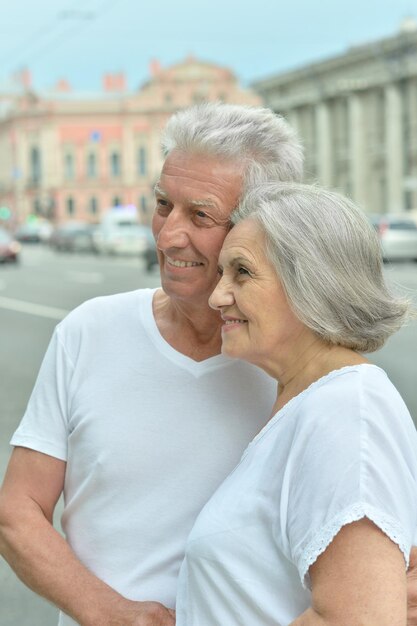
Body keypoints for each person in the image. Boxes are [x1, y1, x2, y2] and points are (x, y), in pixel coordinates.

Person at [0, 102, 416, 626]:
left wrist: (376, 589)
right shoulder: (88, 331)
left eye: (199, 214)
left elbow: (367, 547)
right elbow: (17, 512)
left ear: (265, 224)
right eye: (161, 204)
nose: (168, 234)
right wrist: (107, 613)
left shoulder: (308, 383)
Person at [176, 182, 417, 625]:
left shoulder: (346, 412)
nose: (217, 296)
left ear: (309, 281)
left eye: (242, 272)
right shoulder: (308, 401)